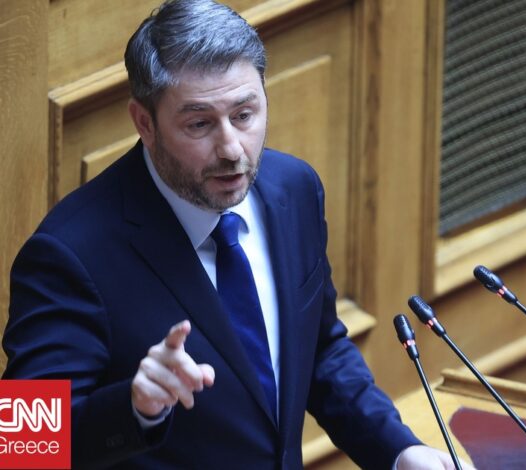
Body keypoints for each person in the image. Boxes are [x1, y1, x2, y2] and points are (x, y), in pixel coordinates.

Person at [2, 1, 472, 468]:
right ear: (145, 123)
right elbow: (25, 448)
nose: (231, 149)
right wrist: (134, 409)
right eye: (200, 124)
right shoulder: (71, 254)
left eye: (244, 115)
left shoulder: (294, 191)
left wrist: (398, 450)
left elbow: (319, 351)